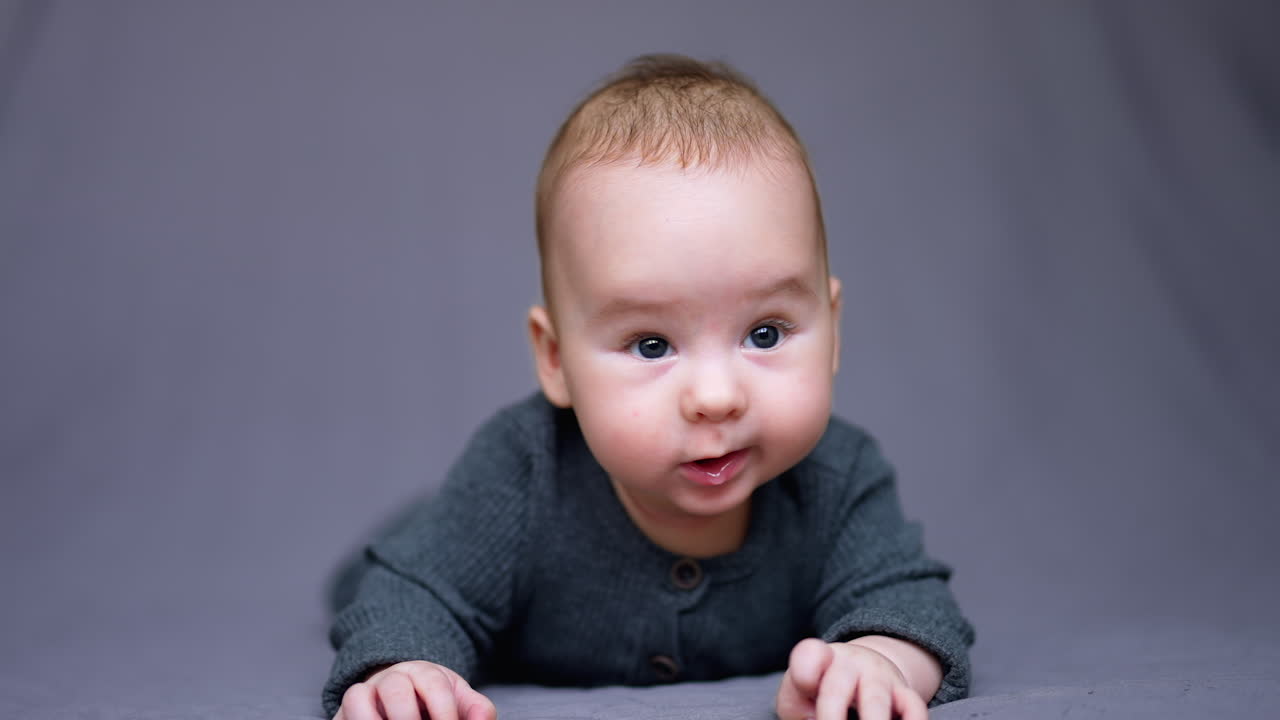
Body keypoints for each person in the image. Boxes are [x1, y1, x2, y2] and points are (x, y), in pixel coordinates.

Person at [323, 54, 974, 720]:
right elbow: (413, 596)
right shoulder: (520, 474)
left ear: (832, 330)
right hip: (431, 539)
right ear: (555, 360)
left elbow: (914, 602)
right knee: (394, 567)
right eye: (652, 345)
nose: (717, 397)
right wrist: (404, 670)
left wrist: (880, 660)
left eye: (766, 333)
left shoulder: (838, 478)